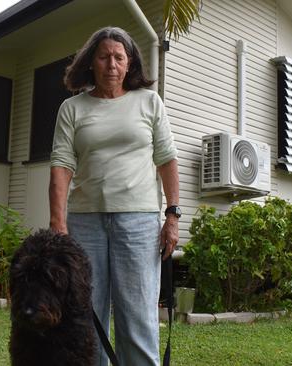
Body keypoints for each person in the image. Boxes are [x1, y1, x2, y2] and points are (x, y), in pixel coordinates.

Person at [49, 26, 180, 366]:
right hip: (85, 223)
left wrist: (172, 215)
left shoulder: (149, 102)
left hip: (138, 222)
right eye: (104, 56)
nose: (111, 64)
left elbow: (167, 161)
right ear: (91, 62)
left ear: (129, 63)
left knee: (137, 316)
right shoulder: (72, 108)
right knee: (86, 316)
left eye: (119, 57)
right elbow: (61, 166)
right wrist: (58, 224)